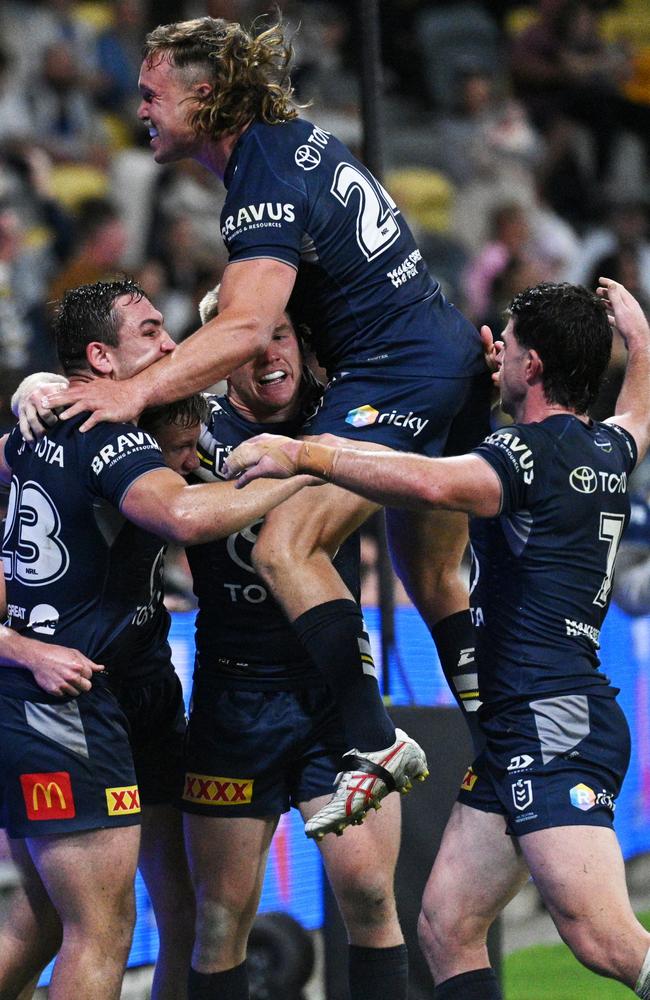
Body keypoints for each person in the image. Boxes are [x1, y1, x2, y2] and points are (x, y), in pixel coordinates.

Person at [44, 13, 493, 836]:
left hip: (397, 374)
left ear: (204, 96)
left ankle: (376, 741)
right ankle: (502, 739)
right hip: (448, 355)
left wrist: (128, 396)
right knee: (431, 577)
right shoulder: (292, 144)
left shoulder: (262, 178)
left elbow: (246, 327)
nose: (140, 107)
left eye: (151, 93)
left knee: (289, 544)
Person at [223, 276, 650, 998]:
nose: (497, 357)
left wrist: (310, 454)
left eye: (507, 347)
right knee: (447, 926)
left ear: (533, 367)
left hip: (553, 728)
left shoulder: (524, 460)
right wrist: (640, 343)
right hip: (534, 724)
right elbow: (639, 412)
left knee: (602, 937)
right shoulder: (609, 448)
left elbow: (422, 482)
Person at [0, 277, 311, 999]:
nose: (170, 345)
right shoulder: (106, 435)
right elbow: (186, 518)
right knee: (95, 929)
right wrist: (306, 466)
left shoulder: (50, 420)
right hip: (67, 705)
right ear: (101, 359)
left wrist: (37, 385)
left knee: (165, 909)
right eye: (150, 334)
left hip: (132, 686)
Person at [135, 295, 409, 1000]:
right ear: (221, 356)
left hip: (335, 696)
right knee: (220, 918)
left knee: (373, 899)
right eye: (250, 345)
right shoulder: (189, 425)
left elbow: (428, 393)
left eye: (281, 337)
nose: (271, 357)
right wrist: (39, 386)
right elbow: (107, 403)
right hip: (236, 700)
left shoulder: (343, 411)